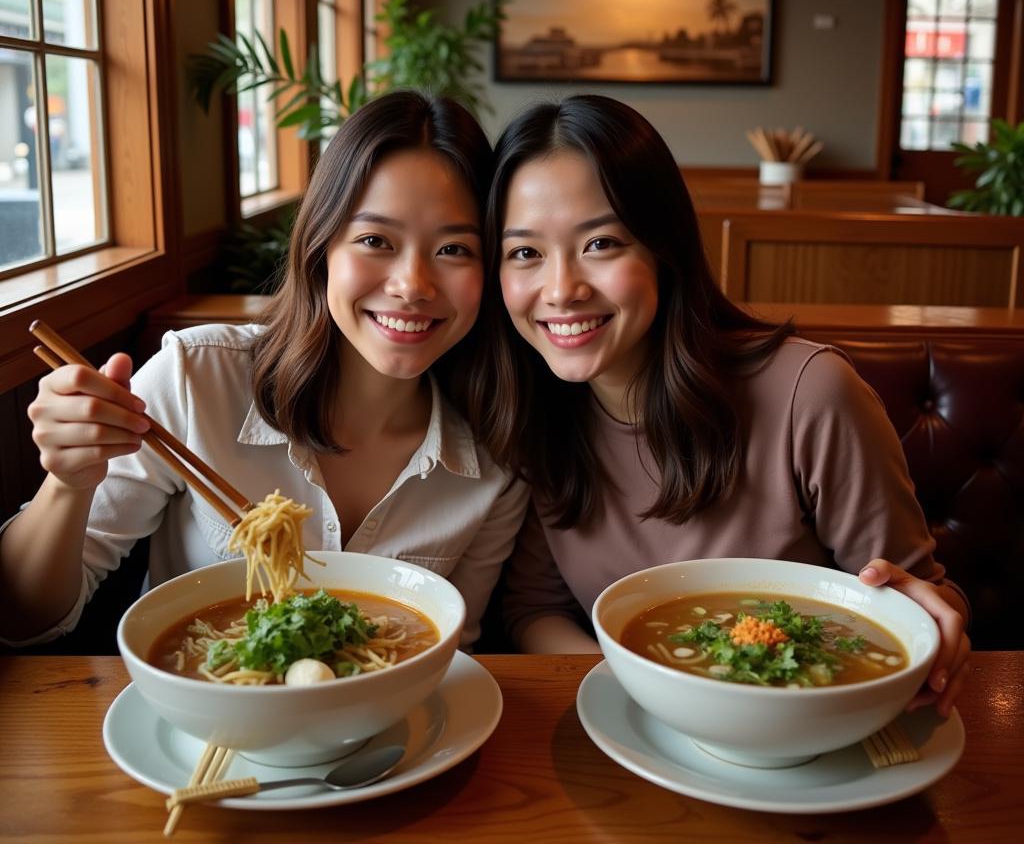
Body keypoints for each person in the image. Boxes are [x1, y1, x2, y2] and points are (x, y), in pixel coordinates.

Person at [467, 94, 969, 715]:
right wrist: (654, 698)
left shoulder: (810, 393)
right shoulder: (539, 412)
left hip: (806, 736)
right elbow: (534, 608)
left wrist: (933, 631)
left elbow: (916, 600)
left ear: (663, 248)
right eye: (525, 253)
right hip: (637, 746)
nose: (562, 288)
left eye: (600, 243)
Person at [0, 90, 527, 648]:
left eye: (454, 250)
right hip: (202, 718)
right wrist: (68, 481)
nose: (412, 285)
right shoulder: (197, 378)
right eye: (375, 240)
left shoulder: (498, 457)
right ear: (322, 248)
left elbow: (453, 650)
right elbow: (21, 619)